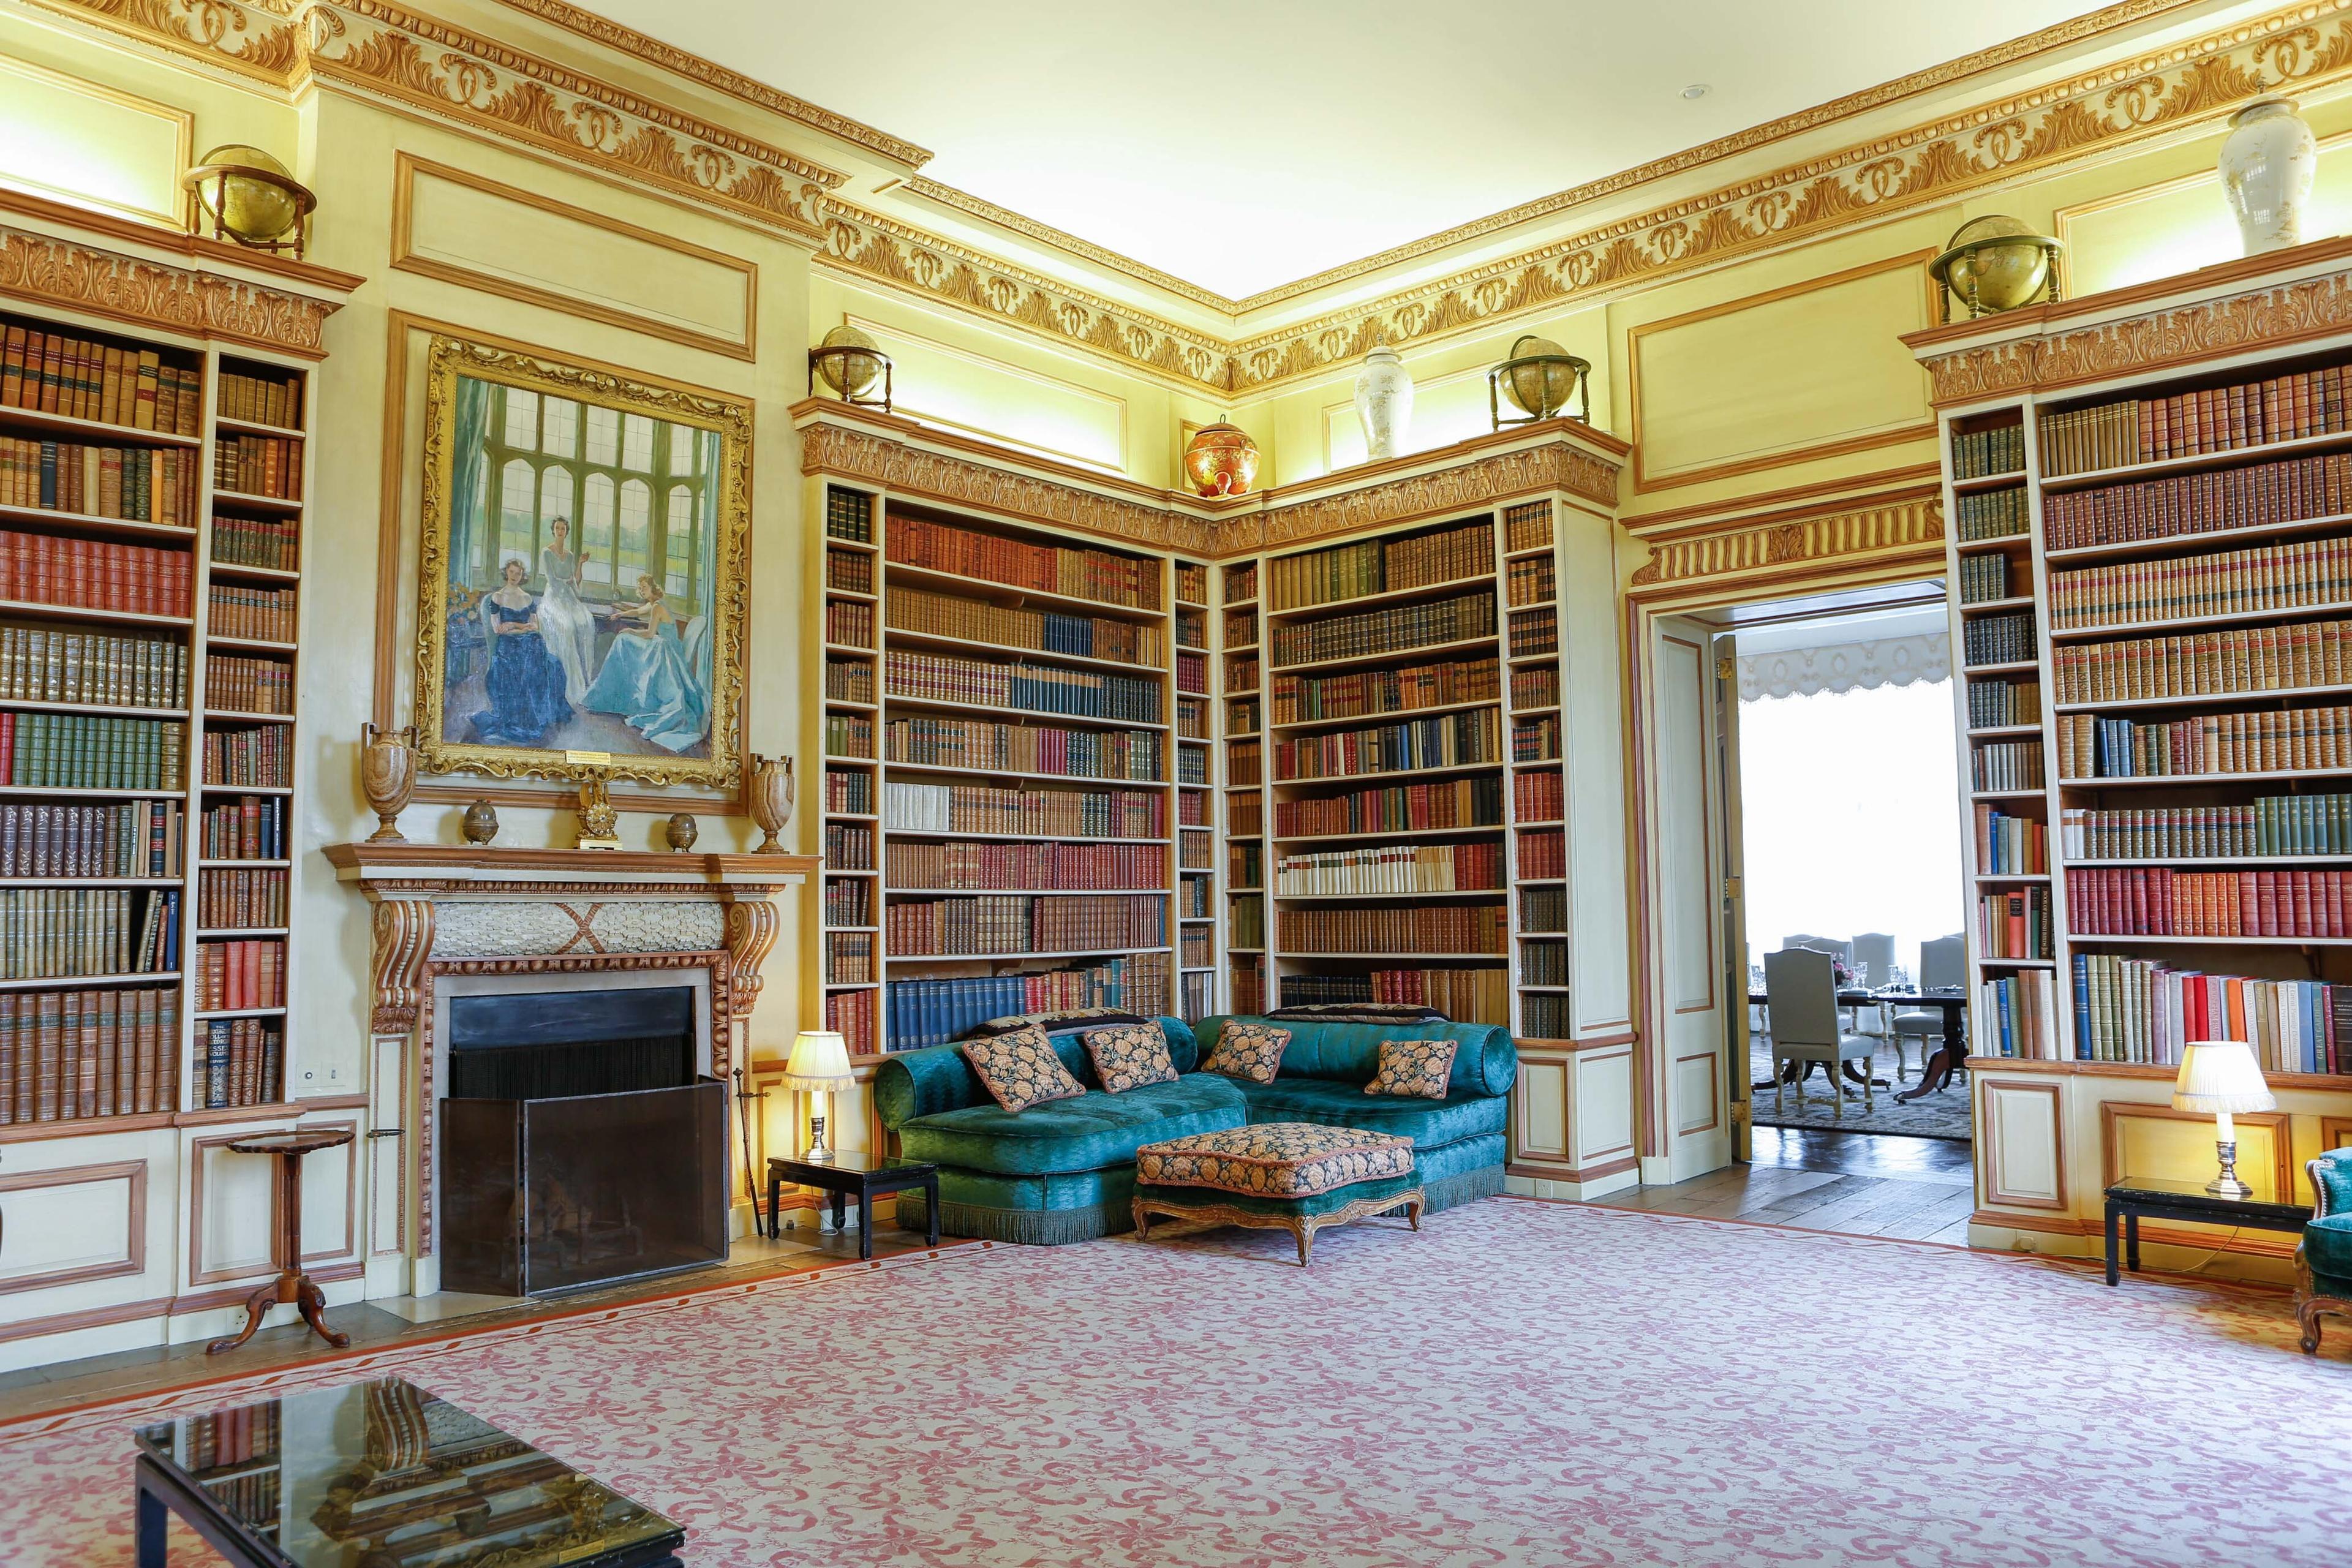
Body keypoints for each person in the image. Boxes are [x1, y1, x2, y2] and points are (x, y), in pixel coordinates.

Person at [581, 572, 708, 753]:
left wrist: (630, 630)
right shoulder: (655, 604)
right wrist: (621, 615)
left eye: (645, 588)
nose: (642, 591)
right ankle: (616, 693)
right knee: (623, 641)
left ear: (653, 588)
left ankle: (616, 694)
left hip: (666, 650)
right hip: (664, 645)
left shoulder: (657, 607)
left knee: (623, 640)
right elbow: (639, 612)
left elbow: (649, 634)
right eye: (640, 589)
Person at [469, 558, 571, 745]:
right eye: (512, 572)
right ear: (506, 573)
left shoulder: (527, 598)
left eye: (519, 573)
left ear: (522, 576)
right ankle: (524, 718)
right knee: (528, 650)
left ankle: (538, 713)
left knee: (541, 651)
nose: (515, 576)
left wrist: (515, 625)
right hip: (508, 646)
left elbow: (535, 627)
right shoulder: (497, 598)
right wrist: (522, 628)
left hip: (530, 642)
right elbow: (498, 629)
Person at [536, 515, 599, 704]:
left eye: (563, 529)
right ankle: (567, 684)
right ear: (553, 531)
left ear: (566, 532)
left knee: (587, 622)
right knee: (567, 627)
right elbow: (552, 579)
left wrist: (580, 564)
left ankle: (585, 680)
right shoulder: (546, 552)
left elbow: (576, 581)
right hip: (554, 597)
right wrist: (568, 582)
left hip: (568, 597)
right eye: (558, 528)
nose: (560, 532)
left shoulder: (570, 555)